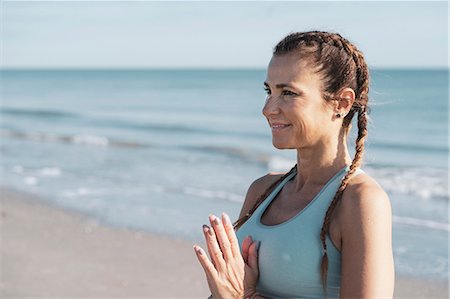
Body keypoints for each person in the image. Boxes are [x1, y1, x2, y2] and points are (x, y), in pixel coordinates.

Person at [193, 30, 395, 298]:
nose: (268, 108)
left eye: (288, 93)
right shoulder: (262, 191)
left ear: (342, 103)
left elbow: (234, 294)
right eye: (269, 91)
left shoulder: (360, 201)